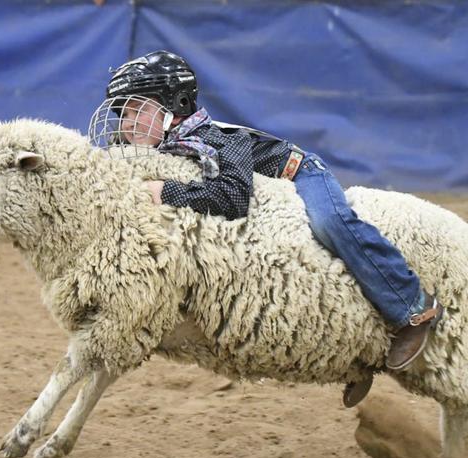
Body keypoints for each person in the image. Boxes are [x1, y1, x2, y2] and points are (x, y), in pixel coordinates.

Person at [90, 50, 444, 407]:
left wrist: (166, 191)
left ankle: (412, 305)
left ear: (175, 103)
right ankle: (355, 357)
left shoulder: (218, 140)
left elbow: (233, 197)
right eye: (122, 114)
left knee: (330, 223)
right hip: (269, 204)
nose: (126, 124)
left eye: (136, 110)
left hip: (300, 172)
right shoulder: (166, 150)